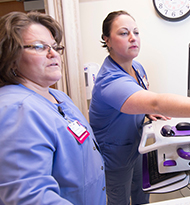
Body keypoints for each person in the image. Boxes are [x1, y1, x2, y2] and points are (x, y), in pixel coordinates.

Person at [0, 11, 106, 205]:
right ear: (11, 56)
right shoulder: (18, 109)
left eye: (55, 47)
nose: (53, 53)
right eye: (40, 47)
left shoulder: (57, 96)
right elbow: (30, 197)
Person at [89, 10, 190, 205]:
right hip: (115, 157)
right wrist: (151, 106)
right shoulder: (109, 80)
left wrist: (146, 110)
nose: (133, 38)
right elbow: (156, 102)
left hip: (136, 146)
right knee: (119, 201)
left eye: (136, 32)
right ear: (107, 40)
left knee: (141, 194)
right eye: (124, 33)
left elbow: (140, 100)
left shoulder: (137, 68)